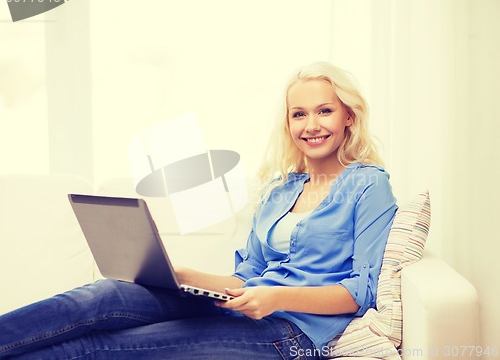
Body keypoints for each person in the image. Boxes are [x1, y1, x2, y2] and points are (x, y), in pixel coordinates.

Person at [0, 61, 397, 359]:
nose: (311, 124)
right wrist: (183, 276)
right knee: (103, 297)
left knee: (97, 347)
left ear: (349, 116)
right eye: (299, 114)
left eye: (324, 111)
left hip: (290, 335)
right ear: (288, 124)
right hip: (242, 311)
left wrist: (277, 298)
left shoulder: (368, 185)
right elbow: (247, 277)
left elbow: (359, 293)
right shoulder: (280, 190)